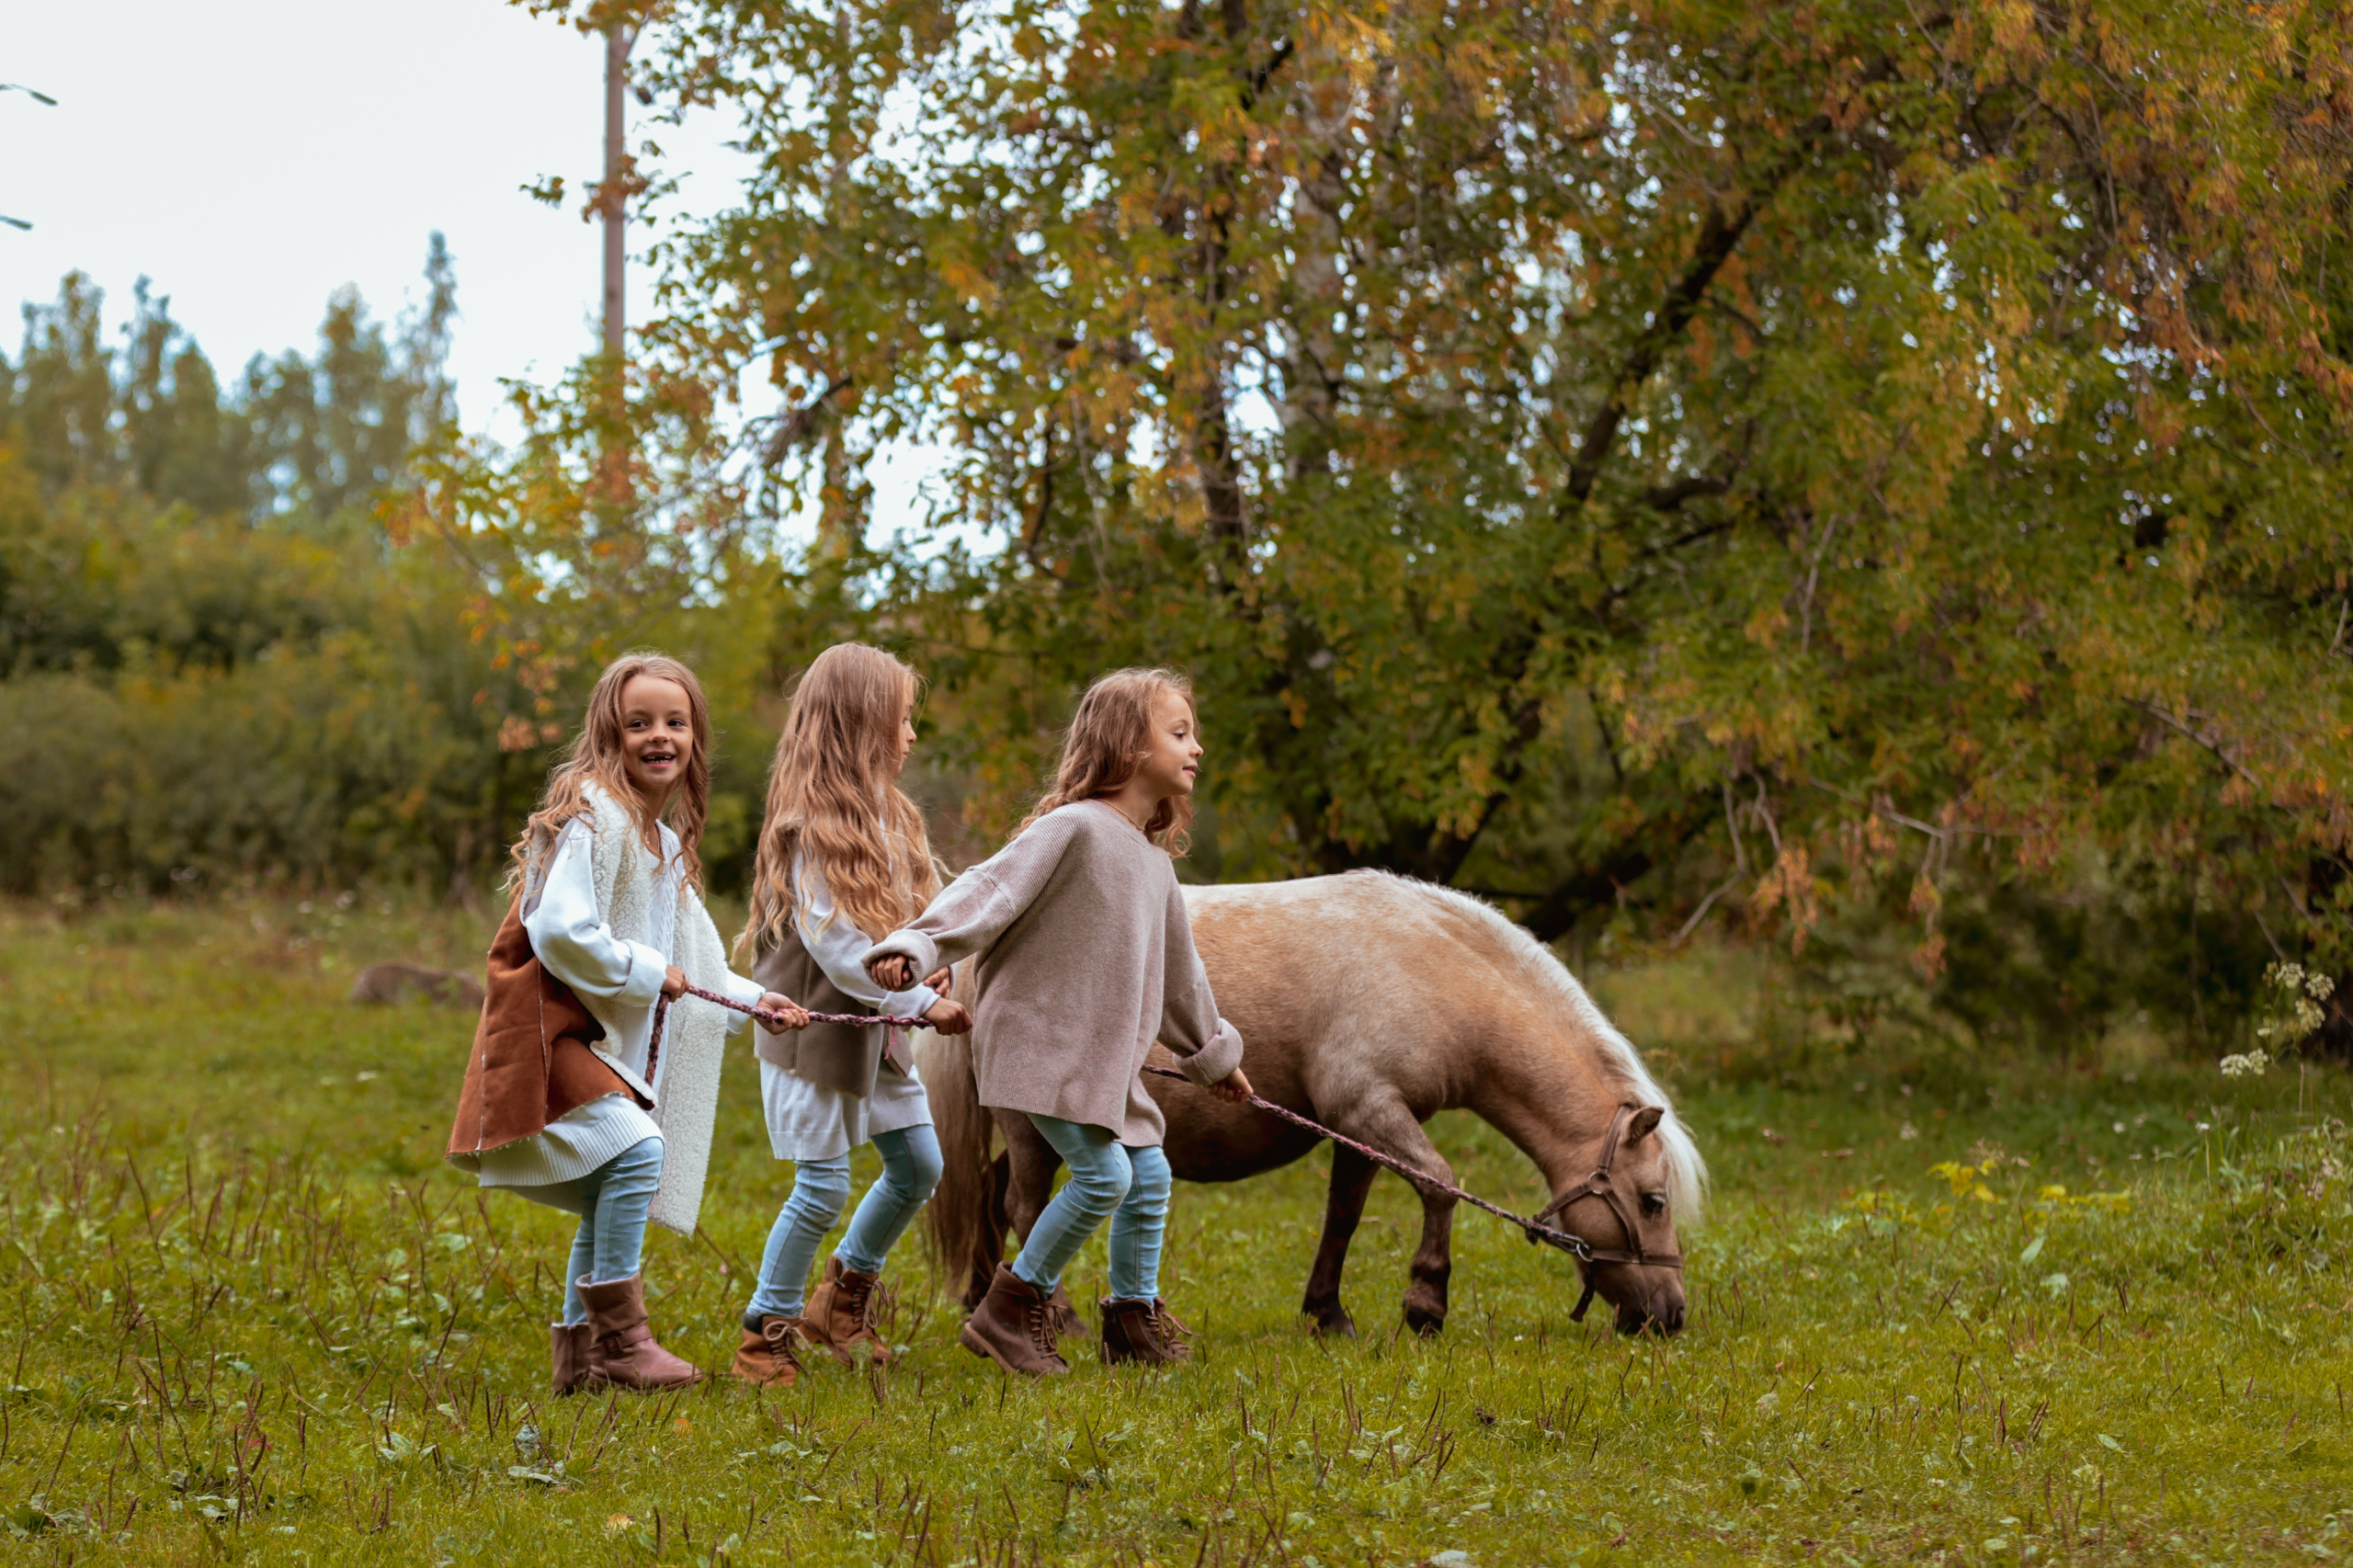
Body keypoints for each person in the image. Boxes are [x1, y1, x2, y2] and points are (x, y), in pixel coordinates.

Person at [866, 667, 1252, 1375]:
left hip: (1097, 1065)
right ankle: (1010, 1310)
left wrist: (1215, 1058)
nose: (1197, 748)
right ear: (1130, 746)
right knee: (1104, 1178)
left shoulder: (1153, 864)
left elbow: (1179, 980)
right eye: (1180, 733)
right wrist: (914, 946)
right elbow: (986, 889)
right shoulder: (1072, 828)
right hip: (1040, 1048)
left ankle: (1132, 1319)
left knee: (1150, 1174)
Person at [448, 653, 806, 1394]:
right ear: (609, 731)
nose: (658, 736)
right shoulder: (586, 812)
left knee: (619, 1169)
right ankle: (621, 1343)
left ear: (695, 738)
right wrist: (647, 972)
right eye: (638, 722)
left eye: (675, 722)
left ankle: (578, 1363)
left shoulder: (661, 844)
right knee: (636, 1152)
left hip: (599, 1037)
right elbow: (561, 928)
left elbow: (693, 960)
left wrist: (754, 999)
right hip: (551, 1032)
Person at [730, 644, 972, 1388]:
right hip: (816, 1039)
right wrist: (925, 1003)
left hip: (881, 1038)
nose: (911, 737)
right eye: (901, 721)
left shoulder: (893, 817)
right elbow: (840, 956)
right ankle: (762, 1336)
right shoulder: (810, 830)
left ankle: (840, 1302)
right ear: (862, 726)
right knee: (823, 1186)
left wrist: (945, 957)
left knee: (920, 1166)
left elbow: (921, 920)